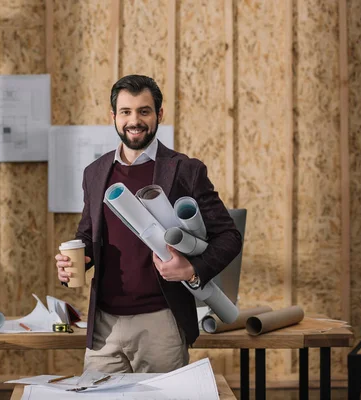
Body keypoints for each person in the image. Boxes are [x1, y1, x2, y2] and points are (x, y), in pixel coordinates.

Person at [55, 74, 242, 374]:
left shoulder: (185, 170)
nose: (135, 120)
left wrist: (193, 270)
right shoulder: (95, 172)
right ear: (113, 117)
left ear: (159, 115)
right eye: (126, 112)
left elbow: (229, 236)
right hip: (104, 326)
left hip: (161, 322)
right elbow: (88, 236)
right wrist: (74, 261)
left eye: (144, 111)